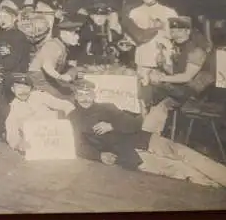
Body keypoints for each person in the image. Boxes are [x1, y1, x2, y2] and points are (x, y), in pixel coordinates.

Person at [67, 79, 226, 187]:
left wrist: (113, 125)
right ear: (75, 96)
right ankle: (216, 186)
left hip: (144, 139)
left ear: (94, 95)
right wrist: (99, 156)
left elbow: (136, 123)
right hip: (128, 155)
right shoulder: (74, 118)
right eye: (80, 95)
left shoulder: (108, 107)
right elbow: (77, 146)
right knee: (180, 170)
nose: (85, 98)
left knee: (184, 152)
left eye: (88, 94)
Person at [142, 16, 214, 135]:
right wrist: (163, 65)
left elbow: (186, 77)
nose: (175, 34)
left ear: (188, 31)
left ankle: (152, 132)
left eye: (180, 31)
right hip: (183, 89)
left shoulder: (196, 49)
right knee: (151, 92)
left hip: (199, 93)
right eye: (173, 31)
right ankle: (151, 131)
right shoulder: (179, 46)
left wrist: (161, 78)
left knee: (157, 95)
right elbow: (177, 73)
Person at [5, 73, 75, 153]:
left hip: (56, 135)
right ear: (12, 89)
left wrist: (72, 118)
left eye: (26, 87)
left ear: (31, 88)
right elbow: (11, 132)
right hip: (37, 142)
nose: (23, 91)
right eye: (19, 87)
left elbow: (65, 105)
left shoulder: (40, 96)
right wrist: (19, 144)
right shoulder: (13, 108)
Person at [128, 0, 178, 83]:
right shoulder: (134, 13)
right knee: (144, 89)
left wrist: (164, 27)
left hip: (164, 59)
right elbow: (130, 38)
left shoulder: (169, 12)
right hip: (143, 58)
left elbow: (177, 36)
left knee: (164, 89)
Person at [28, 17, 84, 100]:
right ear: (63, 33)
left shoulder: (61, 45)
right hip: (40, 81)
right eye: (74, 33)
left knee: (75, 91)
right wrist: (61, 78)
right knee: (70, 96)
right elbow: (47, 66)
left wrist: (72, 71)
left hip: (48, 80)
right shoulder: (53, 46)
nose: (77, 37)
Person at [78, 0, 123, 65]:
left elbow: (119, 47)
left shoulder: (111, 30)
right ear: (92, 16)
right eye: (96, 16)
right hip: (90, 64)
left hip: (110, 65)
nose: (100, 18)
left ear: (107, 17)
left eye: (102, 16)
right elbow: (82, 50)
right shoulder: (85, 30)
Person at [0, 4, 31, 77]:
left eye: (5, 17)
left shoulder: (19, 36)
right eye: (0, 17)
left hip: (16, 75)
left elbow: (14, 62)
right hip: (7, 72)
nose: (2, 20)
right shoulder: (2, 34)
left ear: (14, 19)